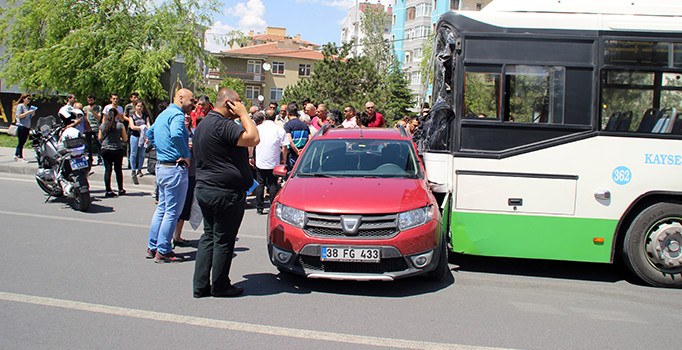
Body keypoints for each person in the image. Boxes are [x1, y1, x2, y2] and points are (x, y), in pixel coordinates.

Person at [192, 87, 260, 298]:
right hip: (224, 192)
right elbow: (253, 138)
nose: (241, 105)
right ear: (228, 103)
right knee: (223, 239)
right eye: (237, 102)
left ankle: (200, 285)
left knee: (209, 236)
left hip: (205, 189)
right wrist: (244, 114)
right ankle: (220, 285)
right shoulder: (223, 125)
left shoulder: (204, 124)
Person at [146, 88, 194, 263]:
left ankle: (153, 246)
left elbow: (150, 134)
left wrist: (161, 149)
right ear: (180, 98)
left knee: (162, 209)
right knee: (172, 211)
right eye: (191, 100)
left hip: (162, 166)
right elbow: (176, 133)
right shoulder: (177, 115)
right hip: (174, 168)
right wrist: (185, 154)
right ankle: (164, 250)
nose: (193, 104)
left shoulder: (163, 114)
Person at [253, 108, 288, 215]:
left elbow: (251, 143)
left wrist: (251, 156)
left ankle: (259, 207)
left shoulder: (258, 128)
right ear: (275, 118)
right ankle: (272, 206)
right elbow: (284, 147)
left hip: (260, 160)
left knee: (260, 183)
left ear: (264, 117)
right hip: (274, 161)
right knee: (272, 184)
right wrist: (284, 159)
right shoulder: (279, 129)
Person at [173, 113, 198, 248]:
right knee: (176, 206)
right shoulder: (175, 132)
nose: (187, 117)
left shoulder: (193, 132)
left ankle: (177, 236)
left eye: (189, 115)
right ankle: (169, 237)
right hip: (180, 171)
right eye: (184, 115)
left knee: (186, 206)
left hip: (192, 172)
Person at [99, 108, 128, 197]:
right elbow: (125, 138)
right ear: (116, 116)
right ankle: (120, 189)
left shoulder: (103, 125)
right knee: (118, 170)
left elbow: (99, 137)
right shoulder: (120, 126)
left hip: (105, 149)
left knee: (108, 170)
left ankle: (108, 190)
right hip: (117, 149)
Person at [284, 103, 311, 171]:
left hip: (292, 154)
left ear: (288, 113)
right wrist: (303, 150)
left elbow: (290, 141)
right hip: (303, 153)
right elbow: (310, 139)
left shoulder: (287, 125)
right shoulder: (305, 125)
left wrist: (297, 151)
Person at [128, 100, 149, 184]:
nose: (140, 108)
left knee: (142, 154)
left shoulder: (145, 116)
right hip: (135, 136)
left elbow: (148, 125)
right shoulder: (132, 116)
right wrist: (141, 127)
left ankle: (139, 169)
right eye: (138, 106)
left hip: (143, 136)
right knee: (133, 153)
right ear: (135, 107)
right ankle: (133, 169)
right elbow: (132, 126)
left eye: (141, 106)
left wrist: (147, 134)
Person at [13, 94, 36, 162]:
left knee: (23, 141)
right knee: (21, 141)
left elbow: (28, 117)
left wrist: (32, 113)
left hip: (27, 126)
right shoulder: (20, 106)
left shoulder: (28, 107)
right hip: (21, 125)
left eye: (30, 99)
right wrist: (28, 112)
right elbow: (19, 116)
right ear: (24, 99)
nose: (29, 100)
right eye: (27, 98)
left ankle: (16, 155)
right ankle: (20, 156)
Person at [83, 95, 102, 165]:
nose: (90, 102)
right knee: (88, 144)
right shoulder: (85, 108)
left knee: (98, 143)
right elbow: (84, 118)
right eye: (88, 100)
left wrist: (93, 112)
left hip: (96, 127)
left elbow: (99, 118)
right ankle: (90, 159)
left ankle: (100, 157)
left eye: (91, 100)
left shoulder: (98, 107)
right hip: (88, 128)